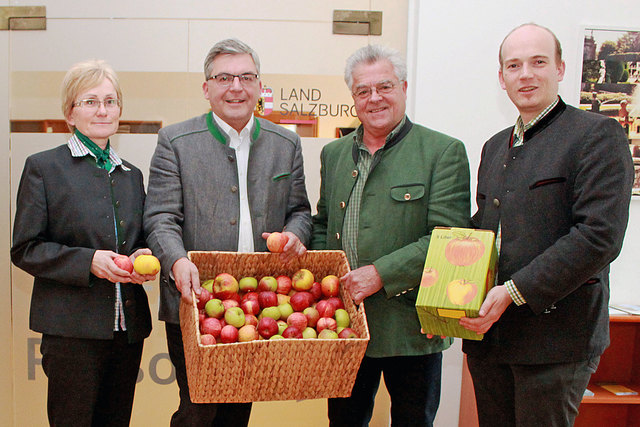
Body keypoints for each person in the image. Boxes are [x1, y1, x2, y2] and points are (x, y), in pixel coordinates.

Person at [459, 23, 634, 427]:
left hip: (556, 341)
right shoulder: (494, 145)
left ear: (561, 68)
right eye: (514, 65)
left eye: (538, 62)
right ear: (501, 79)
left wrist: (513, 292)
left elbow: (599, 237)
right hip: (492, 341)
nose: (526, 74)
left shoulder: (597, 135)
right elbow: (486, 229)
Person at [143, 38, 312, 426]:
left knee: (238, 410)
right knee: (199, 408)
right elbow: (160, 217)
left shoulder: (286, 143)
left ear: (258, 87)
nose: (235, 87)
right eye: (223, 77)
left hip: (263, 302)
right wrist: (176, 259)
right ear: (207, 88)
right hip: (194, 301)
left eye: (246, 77)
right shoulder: (176, 142)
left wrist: (294, 233)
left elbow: (300, 211)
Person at [311, 44, 471, 427]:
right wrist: (322, 282)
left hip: (412, 329)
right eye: (363, 91)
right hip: (344, 328)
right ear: (353, 98)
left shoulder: (442, 151)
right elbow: (322, 223)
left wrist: (379, 273)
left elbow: (449, 240)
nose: (374, 98)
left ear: (402, 86)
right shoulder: (333, 154)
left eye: (384, 86)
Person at [11, 59, 155, 426]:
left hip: (127, 331)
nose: (102, 110)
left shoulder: (130, 174)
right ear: (70, 114)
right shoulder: (44, 167)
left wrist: (141, 254)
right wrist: (88, 261)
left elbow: (135, 239)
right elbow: (25, 248)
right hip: (71, 332)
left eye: (110, 101)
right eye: (90, 101)